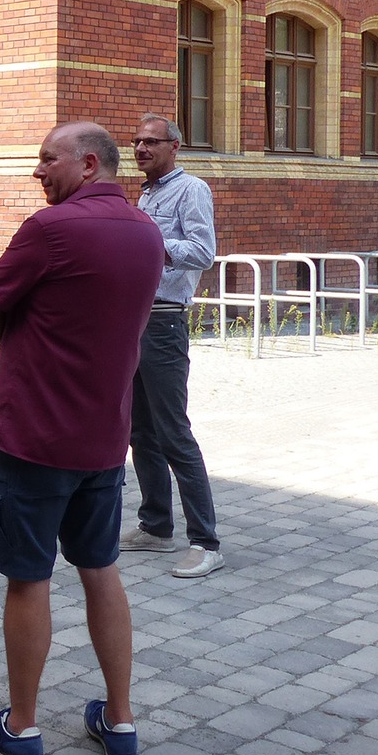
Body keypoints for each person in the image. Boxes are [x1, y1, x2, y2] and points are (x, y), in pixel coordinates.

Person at [0, 122, 163, 755]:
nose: (37, 171)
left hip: (35, 438)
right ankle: (121, 719)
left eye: (46, 159)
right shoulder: (145, 231)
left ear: (87, 161)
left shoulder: (48, 231)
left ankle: (20, 727)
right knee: (100, 569)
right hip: (104, 439)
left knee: (29, 577)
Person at [119, 113, 223, 578]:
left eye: (152, 142)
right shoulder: (146, 193)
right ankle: (156, 526)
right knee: (140, 431)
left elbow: (203, 252)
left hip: (163, 323)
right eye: (137, 141)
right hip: (134, 319)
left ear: (175, 147)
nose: (141, 149)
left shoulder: (190, 189)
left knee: (174, 433)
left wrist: (148, 240)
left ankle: (205, 541)